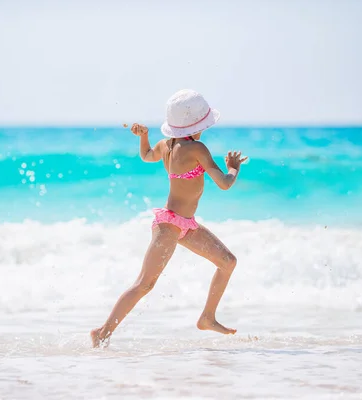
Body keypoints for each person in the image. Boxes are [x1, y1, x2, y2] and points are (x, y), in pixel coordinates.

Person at [91, 89, 248, 348]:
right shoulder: (197, 148)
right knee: (144, 284)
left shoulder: (167, 145)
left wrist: (144, 137)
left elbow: (146, 155)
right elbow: (224, 184)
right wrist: (233, 167)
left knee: (227, 261)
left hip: (184, 225)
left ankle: (207, 317)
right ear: (199, 124)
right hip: (169, 226)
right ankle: (103, 332)